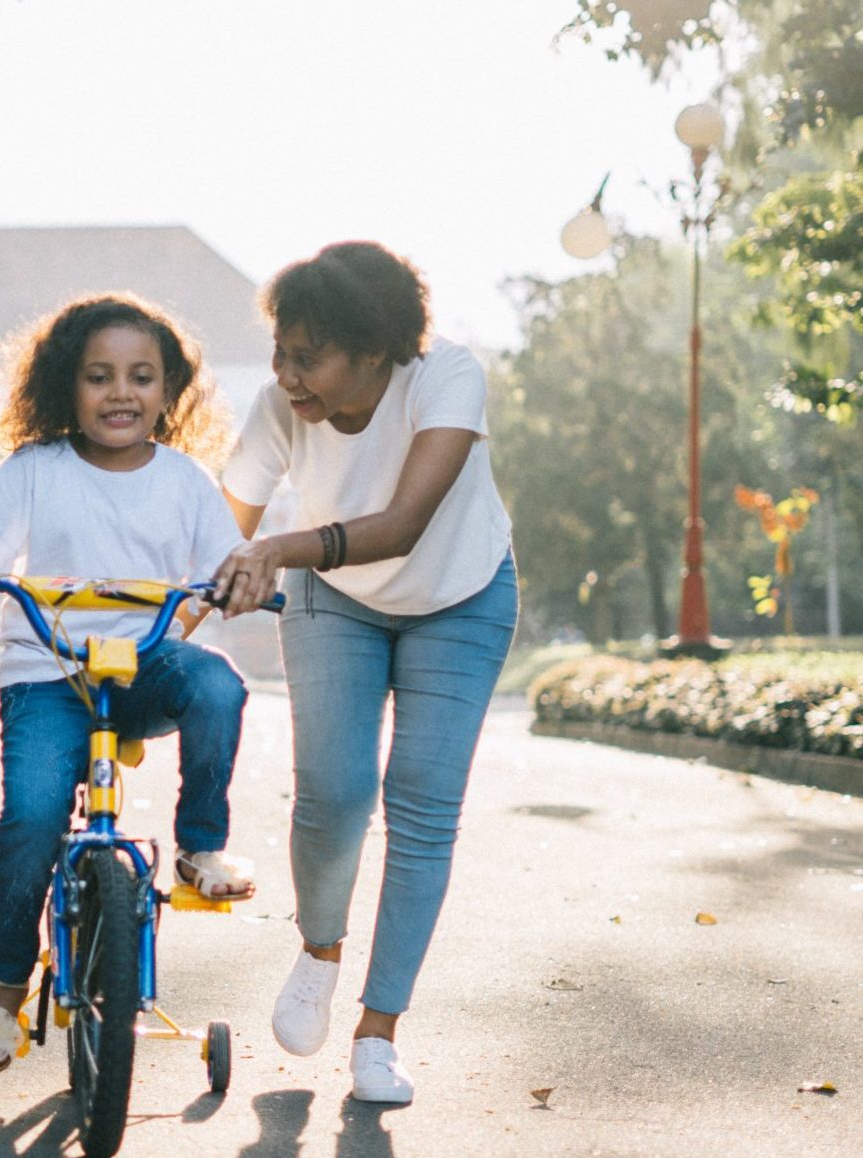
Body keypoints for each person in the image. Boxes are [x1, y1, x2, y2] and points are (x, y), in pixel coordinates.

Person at [0, 294, 254, 1072]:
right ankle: (1, 992)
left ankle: (201, 847)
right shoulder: (35, 470)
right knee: (32, 815)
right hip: (48, 675)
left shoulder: (188, 482)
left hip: (142, 668)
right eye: (99, 377)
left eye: (141, 377)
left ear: (169, 392)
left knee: (220, 687)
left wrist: (240, 583)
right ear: (68, 386)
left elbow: (226, 565)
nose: (121, 393)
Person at [212, 241, 518, 1105]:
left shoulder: (445, 379)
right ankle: (319, 950)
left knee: (422, 801)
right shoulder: (280, 408)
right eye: (280, 351)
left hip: (460, 595)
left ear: (375, 351)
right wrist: (169, 617)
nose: (286, 374)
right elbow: (216, 531)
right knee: (335, 791)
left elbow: (405, 522)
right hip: (334, 601)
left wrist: (275, 547)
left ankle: (379, 1032)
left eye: (307, 356)